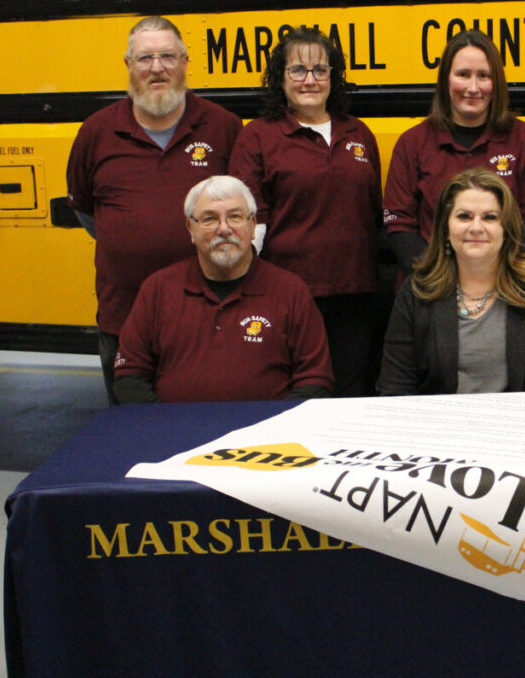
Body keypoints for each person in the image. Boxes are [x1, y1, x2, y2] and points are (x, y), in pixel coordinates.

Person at [66, 16, 243, 404]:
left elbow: (247, 212)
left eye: (168, 56)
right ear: (128, 65)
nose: (157, 68)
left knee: (211, 432)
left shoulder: (224, 128)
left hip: (211, 317)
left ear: (185, 62)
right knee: (131, 436)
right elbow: (85, 210)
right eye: (145, 58)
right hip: (124, 319)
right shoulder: (95, 132)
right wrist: (128, 236)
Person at [229, 28, 382, 397]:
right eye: (297, 70)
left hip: (356, 296)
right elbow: (251, 221)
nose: (309, 80)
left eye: (320, 70)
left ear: (334, 77)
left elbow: (374, 215)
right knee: (294, 398)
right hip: (288, 297)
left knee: (351, 397)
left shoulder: (359, 133)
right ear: (280, 79)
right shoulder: (258, 137)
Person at [113, 176, 333, 403]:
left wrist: (273, 431)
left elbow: (315, 381)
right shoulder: (157, 290)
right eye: (209, 219)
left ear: (252, 225)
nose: (224, 229)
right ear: (191, 228)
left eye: (235, 217)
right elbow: (130, 376)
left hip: (266, 436)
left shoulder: (291, 291)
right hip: (175, 433)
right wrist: (166, 428)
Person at [377, 168, 525, 395]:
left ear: (506, 228)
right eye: (464, 216)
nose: (476, 228)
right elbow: (395, 389)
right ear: (445, 228)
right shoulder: (417, 292)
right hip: (441, 427)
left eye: (490, 217)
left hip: (523, 426)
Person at [383, 29, 525, 275]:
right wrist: (439, 282)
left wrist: (497, 282)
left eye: (483, 76)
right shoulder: (412, 143)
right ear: (446, 79)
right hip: (429, 290)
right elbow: (399, 225)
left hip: (506, 288)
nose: (473, 88)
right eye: (463, 75)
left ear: (496, 81)